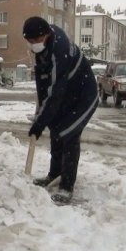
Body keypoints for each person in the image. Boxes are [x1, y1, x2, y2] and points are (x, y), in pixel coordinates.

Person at [23, 16, 98, 204]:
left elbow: (55, 91)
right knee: (56, 130)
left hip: (84, 95)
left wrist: (39, 125)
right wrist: (41, 113)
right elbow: (43, 83)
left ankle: (66, 185)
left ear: (46, 34)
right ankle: (54, 174)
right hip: (67, 94)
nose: (34, 45)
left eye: (37, 40)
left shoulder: (59, 49)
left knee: (69, 134)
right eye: (31, 41)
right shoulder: (43, 48)